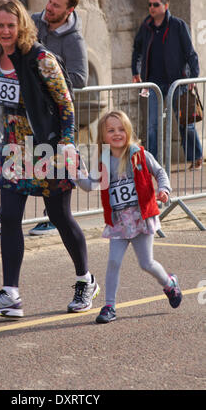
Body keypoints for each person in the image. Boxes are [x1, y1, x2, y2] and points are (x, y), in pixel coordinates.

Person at [0, 0, 99, 318]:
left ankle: (86, 279)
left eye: (11, 25)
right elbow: (2, 98)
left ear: (22, 26)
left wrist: (68, 143)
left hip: (48, 148)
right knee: (10, 217)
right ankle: (11, 295)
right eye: (0, 25)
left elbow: (65, 103)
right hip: (15, 150)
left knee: (60, 217)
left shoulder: (39, 57)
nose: (5, 31)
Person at [74, 110, 182, 324]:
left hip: (141, 218)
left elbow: (160, 172)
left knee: (146, 263)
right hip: (119, 222)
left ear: (128, 131)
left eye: (121, 129)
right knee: (113, 262)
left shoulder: (138, 153)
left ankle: (169, 283)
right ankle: (109, 306)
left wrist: (164, 190)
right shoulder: (103, 160)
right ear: (103, 136)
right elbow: (89, 185)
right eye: (111, 130)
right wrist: (75, 171)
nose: (117, 133)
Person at [27, 0, 88, 236]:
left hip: (55, 113)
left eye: (56, 6)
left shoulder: (73, 39)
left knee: (52, 165)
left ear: (69, 10)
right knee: (24, 162)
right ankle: (4, 216)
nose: (49, 9)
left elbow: (81, 77)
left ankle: (53, 216)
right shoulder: (33, 22)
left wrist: (50, 77)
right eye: (49, 2)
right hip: (29, 109)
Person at [132, 0, 203, 170]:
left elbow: (191, 54)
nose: (152, 8)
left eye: (156, 4)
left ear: (166, 5)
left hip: (177, 83)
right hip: (153, 84)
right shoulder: (146, 26)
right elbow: (137, 49)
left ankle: (196, 157)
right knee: (153, 126)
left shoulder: (178, 25)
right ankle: (154, 163)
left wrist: (192, 78)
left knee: (185, 122)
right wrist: (136, 71)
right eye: (150, 4)